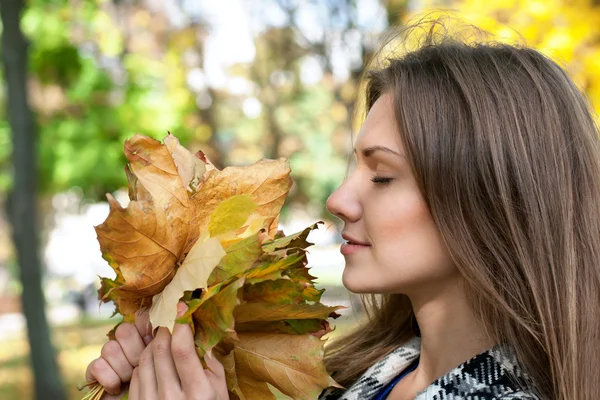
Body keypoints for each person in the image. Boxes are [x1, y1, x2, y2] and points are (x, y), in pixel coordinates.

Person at [85, 16, 600, 400]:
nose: (337, 200)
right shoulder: (361, 372)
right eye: (355, 166)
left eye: (382, 175)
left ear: (492, 197)